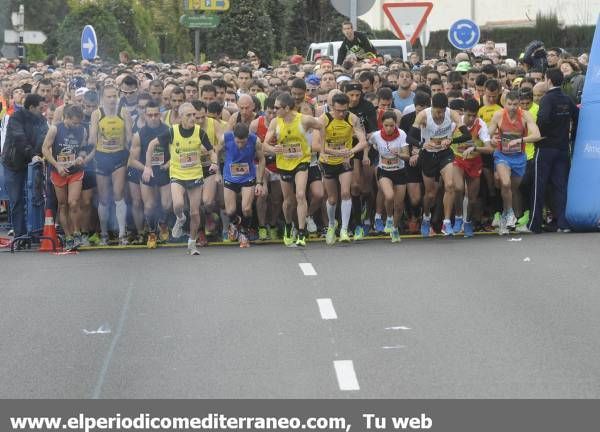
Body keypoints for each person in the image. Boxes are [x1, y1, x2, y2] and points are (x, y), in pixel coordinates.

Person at [143, 102, 217, 255]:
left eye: (194, 115)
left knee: (195, 212)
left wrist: (214, 163)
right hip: (177, 174)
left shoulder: (199, 132)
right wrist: (148, 166)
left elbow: (212, 150)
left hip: (195, 174)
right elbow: (151, 145)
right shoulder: (172, 132)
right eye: (188, 115)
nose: (192, 118)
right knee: (177, 205)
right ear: (181, 117)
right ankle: (180, 218)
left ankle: (192, 243)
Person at [262, 92, 323, 247]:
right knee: (288, 201)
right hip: (284, 164)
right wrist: (273, 149)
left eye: (277, 108)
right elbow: (264, 145)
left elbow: (322, 126)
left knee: (301, 195)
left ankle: (301, 233)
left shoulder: (304, 119)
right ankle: (289, 225)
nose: (274, 110)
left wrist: (323, 146)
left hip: (301, 161)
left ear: (287, 108)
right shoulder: (276, 122)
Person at [525, 68, 578, 234]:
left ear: (548, 80)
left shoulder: (547, 99)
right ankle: (563, 223)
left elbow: (543, 120)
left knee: (539, 185)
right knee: (561, 186)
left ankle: (534, 224)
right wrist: (570, 136)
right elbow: (577, 117)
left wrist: (540, 135)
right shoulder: (567, 99)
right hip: (562, 148)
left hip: (545, 147)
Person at [410, 92, 470, 236]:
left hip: (445, 154)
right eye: (437, 111)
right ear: (432, 108)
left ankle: (447, 222)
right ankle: (426, 217)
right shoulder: (423, 115)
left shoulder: (452, 114)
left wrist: (451, 141)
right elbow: (409, 137)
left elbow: (467, 135)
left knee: (450, 185)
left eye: (442, 111)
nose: (439, 115)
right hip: (428, 156)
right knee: (430, 195)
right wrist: (422, 144)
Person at [487, 90, 541, 235]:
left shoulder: (524, 115)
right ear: (504, 103)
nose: (512, 108)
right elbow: (488, 132)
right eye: (509, 104)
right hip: (502, 155)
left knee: (512, 188)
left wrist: (520, 140)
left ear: (519, 105)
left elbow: (537, 135)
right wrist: (491, 139)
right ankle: (509, 215)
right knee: (505, 183)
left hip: (519, 157)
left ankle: (505, 214)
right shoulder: (499, 115)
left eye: (515, 105)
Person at [318, 92, 368, 244]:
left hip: (345, 161)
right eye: (338, 110)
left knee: (346, 192)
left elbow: (363, 141)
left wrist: (350, 151)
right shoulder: (323, 119)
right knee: (332, 199)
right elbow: (319, 145)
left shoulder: (352, 118)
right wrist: (336, 151)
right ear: (332, 107)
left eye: (344, 110)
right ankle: (332, 225)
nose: (341, 113)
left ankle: (345, 230)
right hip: (327, 161)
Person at [88, 85, 132, 245]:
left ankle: (122, 233)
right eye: (109, 97)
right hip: (101, 157)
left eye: (114, 96)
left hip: (119, 156)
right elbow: (93, 138)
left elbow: (129, 137)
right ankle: (104, 233)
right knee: (104, 197)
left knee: (118, 193)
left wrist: (132, 150)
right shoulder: (97, 114)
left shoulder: (124, 112)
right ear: (102, 98)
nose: (112, 99)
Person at [1, 94, 48, 244]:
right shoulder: (16, 117)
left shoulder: (42, 120)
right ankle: (20, 236)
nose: (43, 111)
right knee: (16, 200)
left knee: (36, 199)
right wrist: (33, 154)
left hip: (33, 164)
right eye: (41, 108)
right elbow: (19, 138)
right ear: (31, 107)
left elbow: (44, 139)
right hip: (13, 164)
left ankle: (35, 233)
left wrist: (40, 155)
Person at [41, 105, 89, 250]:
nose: (77, 125)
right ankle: (68, 237)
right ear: (66, 118)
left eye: (79, 122)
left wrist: (81, 157)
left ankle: (77, 233)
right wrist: (57, 166)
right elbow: (44, 148)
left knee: (73, 202)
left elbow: (83, 148)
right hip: (59, 171)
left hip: (75, 170)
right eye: (74, 122)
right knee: (63, 205)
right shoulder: (55, 129)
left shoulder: (82, 129)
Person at [128, 101, 171, 248]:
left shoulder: (168, 130)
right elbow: (132, 161)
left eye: (156, 115)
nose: (153, 118)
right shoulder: (139, 135)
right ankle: (152, 232)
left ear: (160, 114)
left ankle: (163, 223)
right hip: (146, 172)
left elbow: (177, 152)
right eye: (150, 115)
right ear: (145, 115)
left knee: (166, 204)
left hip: (164, 170)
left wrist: (168, 164)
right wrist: (146, 168)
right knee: (150, 206)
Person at [451, 98, 493, 237]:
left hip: (475, 161)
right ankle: (458, 217)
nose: (471, 118)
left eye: (474, 115)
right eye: (468, 115)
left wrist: (474, 147)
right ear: (463, 112)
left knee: (472, 198)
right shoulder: (455, 122)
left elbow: (489, 149)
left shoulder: (481, 124)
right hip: (458, 158)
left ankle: (467, 221)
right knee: (458, 188)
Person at [220, 123, 265, 248]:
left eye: (243, 142)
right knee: (230, 210)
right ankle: (235, 222)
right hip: (230, 176)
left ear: (247, 137)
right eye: (238, 142)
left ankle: (244, 232)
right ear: (233, 137)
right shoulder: (225, 138)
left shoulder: (255, 141)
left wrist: (259, 183)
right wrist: (217, 171)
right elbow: (215, 151)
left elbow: (261, 159)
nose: (240, 145)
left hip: (247, 177)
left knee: (246, 208)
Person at [369, 111, 410, 242]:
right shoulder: (376, 135)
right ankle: (389, 219)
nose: (389, 128)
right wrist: (365, 156)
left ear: (396, 124)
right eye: (386, 125)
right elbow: (367, 143)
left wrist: (398, 154)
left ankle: (395, 228)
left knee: (398, 205)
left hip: (399, 171)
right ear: (382, 124)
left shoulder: (402, 134)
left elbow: (407, 156)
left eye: (392, 125)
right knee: (389, 195)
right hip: (384, 171)